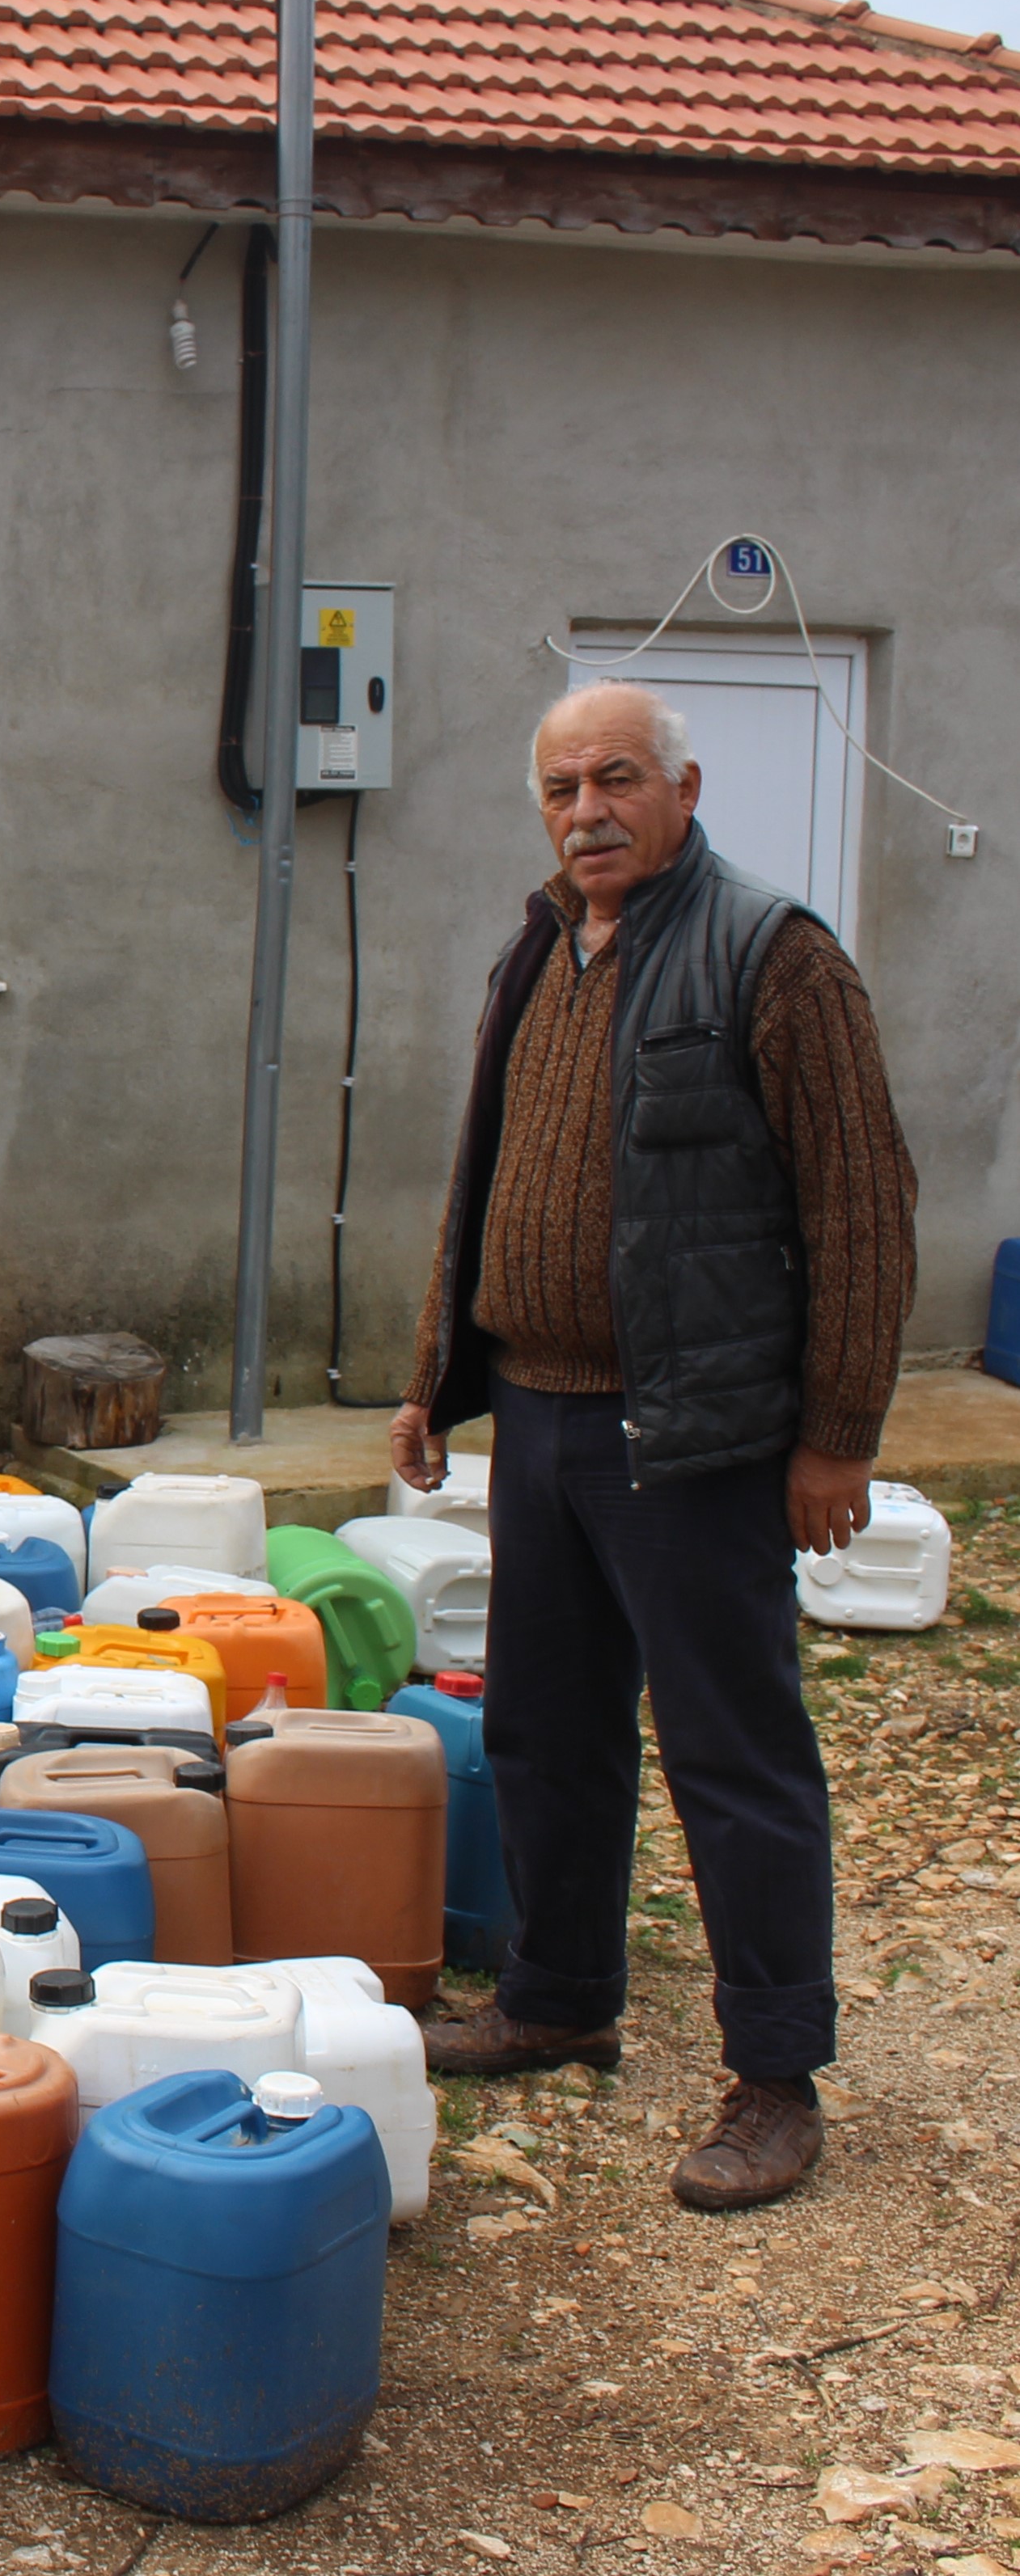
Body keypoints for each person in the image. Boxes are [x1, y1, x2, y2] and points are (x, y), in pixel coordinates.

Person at [392, 681, 915, 2212]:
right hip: (545, 1419)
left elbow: (862, 1207)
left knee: (733, 1757)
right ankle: (559, 1997)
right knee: (546, 1730)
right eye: (560, 787)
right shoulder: (543, 943)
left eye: (616, 779)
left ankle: (775, 2077)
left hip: (688, 1435)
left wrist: (836, 1437)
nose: (586, 812)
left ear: (683, 786)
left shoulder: (776, 956)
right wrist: (440, 1373)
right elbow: (483, 1175)